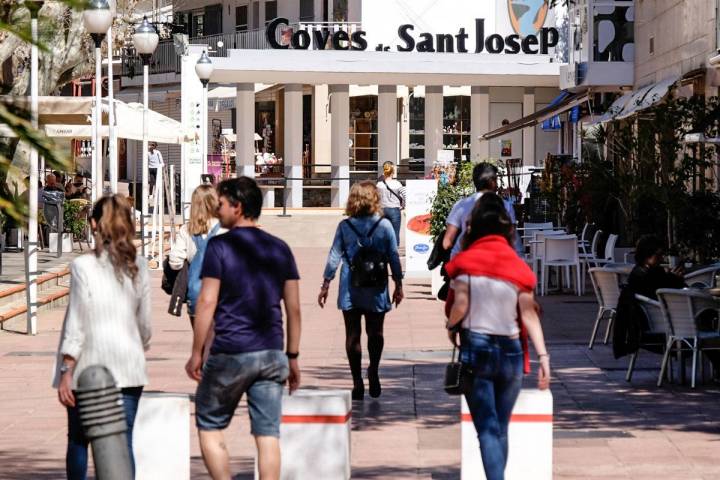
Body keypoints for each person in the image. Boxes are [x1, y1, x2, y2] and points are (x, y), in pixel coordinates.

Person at [185, 177, 301, 480]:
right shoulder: (280, 248)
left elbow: (207, 302)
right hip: (271, 352)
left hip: (231, 351)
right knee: (268, 435)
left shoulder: (220, 246)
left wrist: (197, 352)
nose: (217, 209)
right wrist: (293, 355)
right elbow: (294, 308)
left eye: (221, 204)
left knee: (209, 424)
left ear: (237, 207)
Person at [444, 193, 550, 480]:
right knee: (500, 428)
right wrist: (543, 356)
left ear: (474, 227)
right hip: (512, 351)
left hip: (478, 348)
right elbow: (528, 314)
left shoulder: (465, 262)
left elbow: (460, 304)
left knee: (488, 430)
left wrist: (451, 326)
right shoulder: (519, 268)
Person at [53, 195, 151, 480]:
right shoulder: (139, 266)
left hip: (88, 367)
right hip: (129, 366)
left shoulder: (83, 266)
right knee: (124, 441)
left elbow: (76, 322)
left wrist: (66, 369)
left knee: (79, 439)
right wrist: (138, 345)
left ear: (94, 224)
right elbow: (144, 323)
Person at [318, 181, 404, 400]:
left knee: (352, 334)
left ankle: (357, 381)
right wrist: (398, 284)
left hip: (350, 285)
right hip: (377, 286)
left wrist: (326, 283)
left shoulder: (345, 226)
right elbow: (393, 256)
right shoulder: (384, 226)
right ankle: (373, 369)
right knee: (376, 332)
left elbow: (334, 255)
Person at [613, 235, 685, 359]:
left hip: (650, 328)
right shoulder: (651, 276)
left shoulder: (638, 273)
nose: (662, 258)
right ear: (647, 255)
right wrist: (675, 279)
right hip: (666, 329)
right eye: (659, 255)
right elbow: (666, 292)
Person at [169, 184, 224, 326]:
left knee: (202, 342)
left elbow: (175, 263)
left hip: (196, 296)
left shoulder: (186, 230)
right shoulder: (225, 228)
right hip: (222, 296)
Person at [442, 162, 517, 258]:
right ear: (491, 181)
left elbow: (447, 242)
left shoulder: (461, 205)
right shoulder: (506, 206)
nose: (497, 184)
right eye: (496, 179)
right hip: (496, 262)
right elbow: (513, 240)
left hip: (466, 262)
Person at [376, 161, 406, 247]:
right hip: (395, 210)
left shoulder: (379, 184)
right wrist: (403, 205)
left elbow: (375, 197)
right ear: (393, 172)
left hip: (382, 210)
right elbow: (406, 195)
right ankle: (394, 253)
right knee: (395, 233)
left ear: (384, 172)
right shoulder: (397, 184)